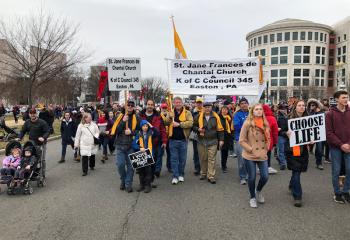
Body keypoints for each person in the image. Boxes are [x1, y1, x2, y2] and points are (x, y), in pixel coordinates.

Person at [239, 104, 270, 208]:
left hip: (262, 154)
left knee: (265, 176)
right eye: (256, 109)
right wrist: (250, 149)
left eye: (260, 109)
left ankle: (258, 190)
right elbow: (241, 140)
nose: (259, 111)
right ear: (252, 111)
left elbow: (268, 138)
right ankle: (252, 197)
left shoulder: (265, 123)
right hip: (250, 155)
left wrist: (267, 147)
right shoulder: (247, 123)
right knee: (251, 177)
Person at [110, 100, 141, 193]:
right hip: (120, 145)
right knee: (120, 165)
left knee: (131, 167)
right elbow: (115, 130)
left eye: (132, 105)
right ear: (125, 106)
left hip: (131, 146)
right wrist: (123, 122)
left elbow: (140, 131)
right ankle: (123, 180)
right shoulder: (119, 117)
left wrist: (131, 132)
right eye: (129, 105)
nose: (130, 107)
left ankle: (128, 184)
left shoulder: (137, 118)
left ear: (134, 107)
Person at [326, 90, 350, 204]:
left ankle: (346, 191)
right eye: (343, 97)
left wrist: (348, 144)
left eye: (347, 97)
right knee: (336, 171)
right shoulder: (330, 114)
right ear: (337, 99)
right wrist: (341, 144)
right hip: (336, 147)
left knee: (349, 169)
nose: (346, 99)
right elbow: (329, 133)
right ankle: (337, 193)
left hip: (349, 146)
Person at [285, 100, 309, 207]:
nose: (302, 107)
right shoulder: (289, 119)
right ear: (295, 107)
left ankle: (292, 185)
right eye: (299, 105)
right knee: (296, 172)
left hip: (303, 150)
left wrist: (312, 140)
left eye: (303, 105)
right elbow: (280, 131)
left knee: (297, 171)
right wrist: (286, 133)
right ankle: (297, 197)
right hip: (293, 149)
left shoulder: (309, 119)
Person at [193, 102, 224, 183]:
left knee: (211, 159)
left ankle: (211, 176)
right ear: (203, 108)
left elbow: (220, 129)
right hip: (201, 141)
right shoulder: (198, 116)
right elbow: (193, 126)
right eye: (206, 107)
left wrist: (221, 140)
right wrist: (198, 129)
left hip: (213, 141)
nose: (207, 108)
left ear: (211, 108)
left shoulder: (216, 116)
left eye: (209, 107)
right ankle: (203, 173)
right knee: (203, 158)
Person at [168, 97, 193, 185]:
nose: (178, 104)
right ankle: (175, 176)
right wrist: (170, 118)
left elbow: (190, 123)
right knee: (174, 159)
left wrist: (179, 124)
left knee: (182, 159)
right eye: (176, 102)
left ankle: (181, 174)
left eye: (179, 102)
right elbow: (166, 122)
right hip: (172, 140)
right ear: (174, 103)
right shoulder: (171, 112)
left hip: (183, 140)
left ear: (182, 103)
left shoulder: (187, 112)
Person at [139, 99, 167, 178]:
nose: (150, 106)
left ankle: (155, 172)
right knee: (146, 160)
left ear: (154, 106)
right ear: (146, 105)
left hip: (156, 141)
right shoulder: (140, 116)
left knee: (155, 158)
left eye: (151, 105)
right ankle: (147, 177)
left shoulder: (158, 116)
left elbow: (162, 129)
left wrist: (164, 141)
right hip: (144, 141)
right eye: (148, 104)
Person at [18, 108, 50, 178]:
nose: (32, 115)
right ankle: (28, 172)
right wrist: (20, 137)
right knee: (29, 158)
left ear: (36, 114)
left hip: (41, 143)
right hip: (32, 144)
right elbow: (23, 131)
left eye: (34, 113)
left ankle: (42, 174)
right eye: (31, 113)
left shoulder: (42, 122)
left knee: (42, 159)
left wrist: (43, 137)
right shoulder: (27, 122)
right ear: (29, 114)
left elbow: (47, 131)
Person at [132, 120, 159, 193]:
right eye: (143, 126)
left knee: (148, 171)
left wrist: (151, 126)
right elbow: (134, 144)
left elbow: (157, 133)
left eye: (146, 126)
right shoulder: (138, 134)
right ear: (141, 127)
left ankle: (148, 185)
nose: (145, 127)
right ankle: (141, 184)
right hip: (141, 155)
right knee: (141, 171)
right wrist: (139, 147)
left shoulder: (151, 133)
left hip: (149, 154)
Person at [233, 98, 249, 185]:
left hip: (251, 140)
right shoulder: (237, 114)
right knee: (242, 160)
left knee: (250, 159)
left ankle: (249, 175)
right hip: (240, 139)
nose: (244, 105)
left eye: (245, 103)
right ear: (239, 105)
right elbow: (236, 126)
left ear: (248, 104)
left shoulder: (252, 113)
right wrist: (248, 126)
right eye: (242, 103)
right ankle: (242, 176)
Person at [307, 98, 325, 170]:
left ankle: (319, 163)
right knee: (306, 147)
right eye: (311, 105)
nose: (312, 106)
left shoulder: (321, 112)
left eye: (313, 105)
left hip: (319, 133)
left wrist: (318, 112)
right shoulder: (308, 112)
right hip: (310, 133)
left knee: (319, 149)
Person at [262, 104, 279, 174]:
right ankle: (267, 167)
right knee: (268, 154)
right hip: (269, 140)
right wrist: (275, 141)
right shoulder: (272, 118)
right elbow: (275, 132)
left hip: (258, 141)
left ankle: (260, 168)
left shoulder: (258, 118)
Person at [190, 97, 203, 176]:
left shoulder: (206, 111)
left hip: (205, 135)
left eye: (200, 103)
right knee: (196, 152)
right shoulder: (193, 112)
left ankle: (204, 168)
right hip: (196, 134)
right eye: (197, 102)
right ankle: (197, 168)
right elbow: (191, 124)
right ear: (195, 103)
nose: (199, 104)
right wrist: (198, 129)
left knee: (204, 152)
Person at [219, 105, 233, 173]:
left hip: (228, 137)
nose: (224, 111)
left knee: (226, 152)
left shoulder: (230, 118)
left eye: (226, 109)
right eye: (223, 109)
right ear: (221, 110)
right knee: (223, 151)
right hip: (221, 136)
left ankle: (224, 165)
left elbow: (232, 128)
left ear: (228, 111)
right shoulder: (219, 117)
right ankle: (223, 165)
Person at [160, 103, 172, 172]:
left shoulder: (170, 114)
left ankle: (169, 166)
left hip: (169, 136)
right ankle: (158, 168)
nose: (164, 109)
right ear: (161, 108)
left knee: (169, 153)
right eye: (163, 108)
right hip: (161, 136)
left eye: (165, 108)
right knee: (160, 153)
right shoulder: (158, 115)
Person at [276, 103, 289, 170]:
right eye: (282, 108)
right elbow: (276, 127)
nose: (284, 110)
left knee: (286, 150)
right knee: (281, 150)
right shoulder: (277, 117)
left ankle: (283, 161)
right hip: (280, 135)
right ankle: (283, 164)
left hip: (287, 135)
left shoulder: (288, 116)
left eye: (285, 108)